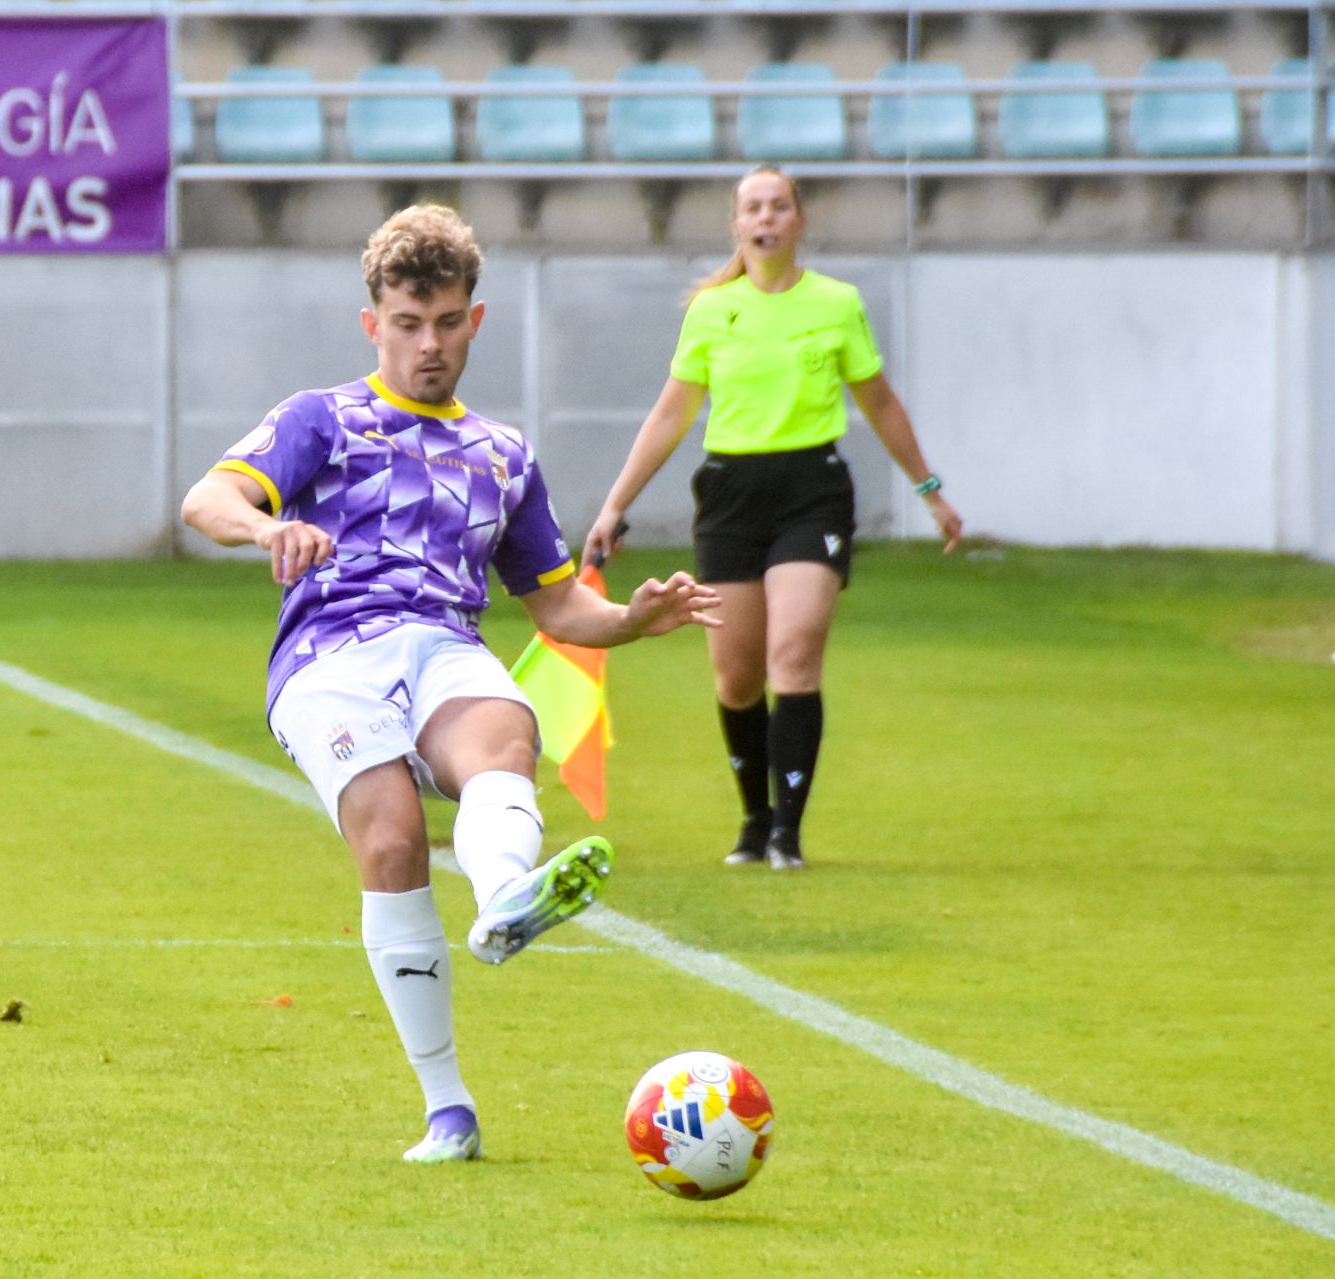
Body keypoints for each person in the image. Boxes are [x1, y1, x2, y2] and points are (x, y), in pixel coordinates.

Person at [179, 205, 720, 1162]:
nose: (427, 344)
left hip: (442, 643)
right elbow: (207, 499)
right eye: (406, 323)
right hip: (330, 657)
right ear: (373, 324)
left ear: (476, 319)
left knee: (506, 726)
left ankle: (507, 893)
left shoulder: (504, 456)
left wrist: (633, 620)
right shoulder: (323, 418)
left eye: (445, 322)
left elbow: (556, 610)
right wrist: (270, 530)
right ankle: (449, 1109)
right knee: (391, 840)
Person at [583, 165, 962, 872]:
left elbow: (879, 402)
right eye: (753, 207)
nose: (767, 217)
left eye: (779, 206)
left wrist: (929, 489)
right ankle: (754, 820)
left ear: (798, 220)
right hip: (730, 494)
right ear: (738, 225)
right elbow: (672, 412)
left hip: (810, 489)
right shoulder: (711, 310)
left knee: (795, 650)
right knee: (735, 677)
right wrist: (615, 503)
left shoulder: (836, 303)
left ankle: (788, 830)